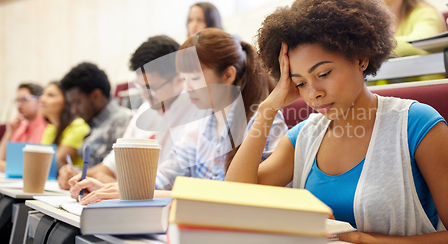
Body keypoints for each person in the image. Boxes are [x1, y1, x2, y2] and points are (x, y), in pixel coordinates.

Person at [224, 0, 448, 244]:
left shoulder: (416, 124)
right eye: (300, 82)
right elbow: (236, 199)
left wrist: (353, 240)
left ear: (360, 57)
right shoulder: (304, 137)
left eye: (323, 73)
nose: (312, 93)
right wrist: (268, 108)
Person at [69, 28, 288, 204]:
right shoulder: (202, 125)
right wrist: (112, 189)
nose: (188, 89)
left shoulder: (265, 123)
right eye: (184, 80)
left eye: (194, 79)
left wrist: (125, 192)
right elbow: (164, 178)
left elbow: (234, 197)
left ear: (228, 75)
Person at [67, 35, 208, 186]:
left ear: (179, 78)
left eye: (151, 88)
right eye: (139, 86)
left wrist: (118, 185)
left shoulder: (198, 112)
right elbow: (113, 164)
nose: (143, 94)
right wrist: (79, 177)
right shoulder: (145, 110)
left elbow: (173, 182)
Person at [366, 0, 445, 78]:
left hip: (425, 92)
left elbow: (420, 44)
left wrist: (367, 47)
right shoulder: (377, 24)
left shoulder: (426, 13)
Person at [57, 63, 132, 188]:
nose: (73, 110)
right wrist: (70, 173)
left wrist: (78, 175)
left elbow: (120, 169)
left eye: (77, 102)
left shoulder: (122, 121)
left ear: (96, 96)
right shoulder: (93, 123)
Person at [39, 82, 90, 167]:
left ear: (66, 101)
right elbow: (40, 161)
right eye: (42, 94)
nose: (42, 99)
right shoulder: (50, 129)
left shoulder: (78, 126)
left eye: (50, 95)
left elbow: (53, 162)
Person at [0, 83, 47, 172]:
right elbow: (1, 158)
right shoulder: (19, 126)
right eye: (17, 100)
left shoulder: (47, 126)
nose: (19, 105)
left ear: (39, 100)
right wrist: (10, 132)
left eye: (24, 100)